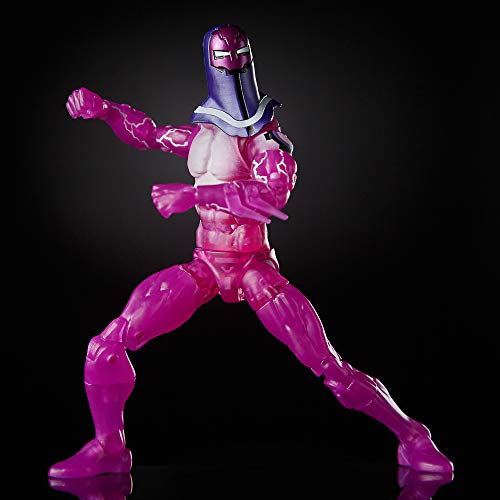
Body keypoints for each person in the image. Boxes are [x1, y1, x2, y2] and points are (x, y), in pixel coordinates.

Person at [49, 24, 453, 478]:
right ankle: (109, 447)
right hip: (205, 264)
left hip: (253, 269)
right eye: (223, 59)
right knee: (105, 347)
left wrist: (195, 195)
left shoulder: (266, 139)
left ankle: (414, 437)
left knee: (329, 366)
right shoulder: (202, 134)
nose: (231, 67)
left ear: (249, 61)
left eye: (237, 57)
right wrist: (105, 110)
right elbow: (150, 134)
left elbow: (272, 195)